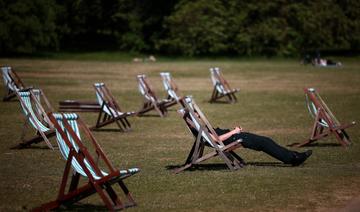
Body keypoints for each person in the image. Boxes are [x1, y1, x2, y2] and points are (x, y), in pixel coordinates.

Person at [185, 112, 312, 166]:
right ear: (192, 119)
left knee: (265, 141)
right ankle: (292, 158)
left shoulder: (199, 128)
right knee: (265, 142)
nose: (198, 115)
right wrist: (234, 131)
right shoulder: (199, 129)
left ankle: (293, 156)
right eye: (195, 114)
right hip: (235, 137)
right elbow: (217, 139)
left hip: (236, 136)